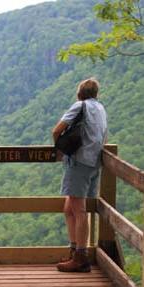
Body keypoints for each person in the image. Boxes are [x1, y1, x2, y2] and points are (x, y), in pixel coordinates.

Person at [52, 78, 108, 273]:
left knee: (78, 209)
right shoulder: (101, 108)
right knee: (70, 207)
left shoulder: (80, 106)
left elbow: (57, 130)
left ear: (79, 93)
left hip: (79, 161)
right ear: (96, 93)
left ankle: (81, 257)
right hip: (94, 162)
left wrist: (60, 149)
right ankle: (74, 249)